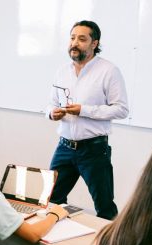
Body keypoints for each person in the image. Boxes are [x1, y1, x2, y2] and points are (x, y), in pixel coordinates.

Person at [46, 20, 128, 220]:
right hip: (64, 147)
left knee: (105, 207)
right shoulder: (62, 71)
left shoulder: (109, 71)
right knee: (50, 200)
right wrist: (51, 113)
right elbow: (50, 104)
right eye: (72, 38)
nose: (75, 43)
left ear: (94, 43)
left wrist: (84, 110)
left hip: (94, 150)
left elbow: (121, 109)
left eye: (82, 39)